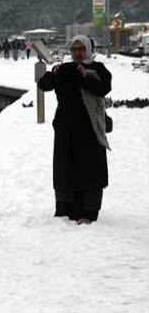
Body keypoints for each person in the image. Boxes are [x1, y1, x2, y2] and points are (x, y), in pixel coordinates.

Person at [36, 35, 111, 224]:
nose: (77, 53)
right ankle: (65, 208)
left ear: (88, 49)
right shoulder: (65, 69)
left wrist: (85, 75)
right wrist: (52, 73)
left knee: (90, 168)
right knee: (65, 166)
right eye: (74, 49)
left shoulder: (98, 69)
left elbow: (103, 88)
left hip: (89, 128)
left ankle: (89, 211)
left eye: (81, 49)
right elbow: (43, 85)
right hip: (65, 127)